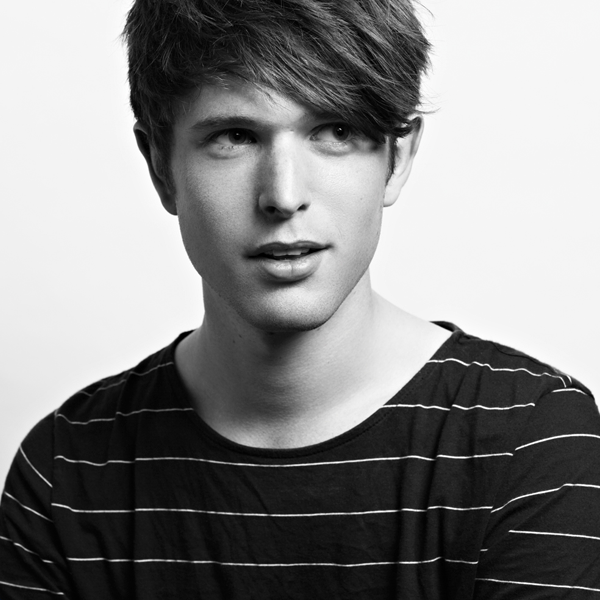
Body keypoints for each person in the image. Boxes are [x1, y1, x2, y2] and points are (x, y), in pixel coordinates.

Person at [1, 0, 599, 598]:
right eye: (235, 137)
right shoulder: (65, 468)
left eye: (335, 131)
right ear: (161, 164)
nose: (284, 196)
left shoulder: (533, 440)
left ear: (398, 157)